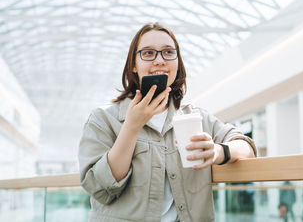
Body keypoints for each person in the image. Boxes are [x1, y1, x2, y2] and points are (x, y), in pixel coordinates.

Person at [78, 22, 257, 222]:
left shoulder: (194, 117)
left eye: (168, 52)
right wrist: (132, 126)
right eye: (148, 53)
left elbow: (247, 146)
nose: (159, 60)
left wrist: (217, 151)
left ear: (177, 62)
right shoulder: (104, 119)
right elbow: (99, 187)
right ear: (133, 65)